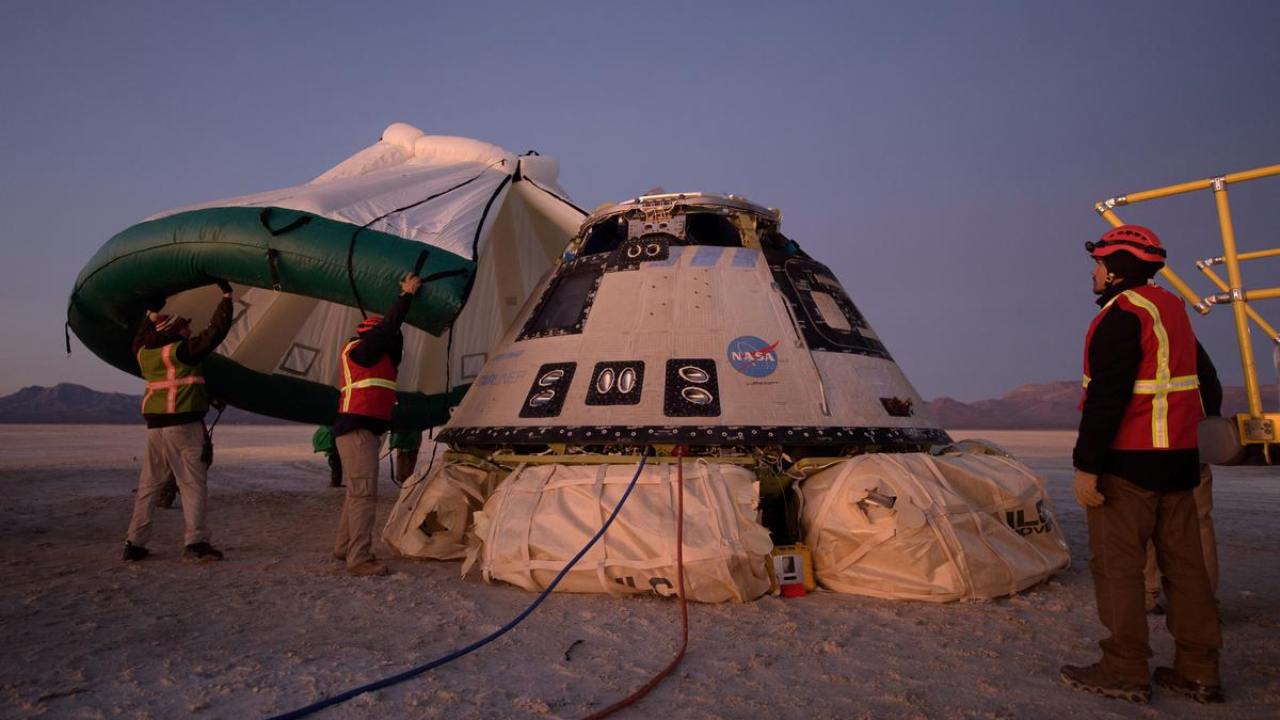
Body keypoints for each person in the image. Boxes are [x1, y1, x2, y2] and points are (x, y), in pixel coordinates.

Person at [1061, 225, 1224, 704]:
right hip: (1180, 464)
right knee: (1186, 570)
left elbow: (1106, 399)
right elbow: (1206, 383)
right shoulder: (1172, 311)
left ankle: (1124, 667)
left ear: (1116, 270)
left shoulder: (1120, 317)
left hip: (1128, 466)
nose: (1093, 273)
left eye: (1098, 265)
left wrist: (1087, 465)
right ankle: (1199, 669)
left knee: (1118, 570)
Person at [123, 279, 235, 562]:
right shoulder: (181, 351)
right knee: (192, 484)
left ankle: (134, 544)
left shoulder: (144, 355)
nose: (189, 329)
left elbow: (138, 339)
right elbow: (215, 332)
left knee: (149, 485)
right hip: (183, 428)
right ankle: (195, 542)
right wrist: (226, 297)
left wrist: (150, 313)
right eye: (184, 326)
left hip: (155, 430)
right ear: (173, 331)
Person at [331, 272, 422, 576]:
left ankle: (345, 547)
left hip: (363, 431)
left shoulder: (379, 356)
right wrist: (405, 296)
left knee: (356, 492)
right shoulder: (360, 350)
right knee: (363, 493)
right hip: (357, 431)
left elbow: (393, 341)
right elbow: (387, 332)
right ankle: (359, 558)